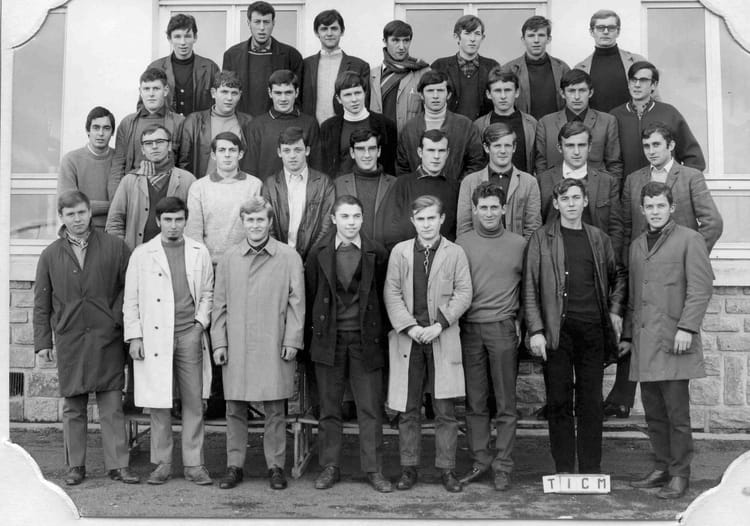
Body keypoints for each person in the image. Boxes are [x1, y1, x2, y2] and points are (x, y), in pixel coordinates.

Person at [607, 122, 722, 419]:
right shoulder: (634, 180)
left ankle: (675, 432)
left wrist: (689, 258)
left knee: (675, 355)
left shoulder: (690, 177)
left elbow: (712, 223)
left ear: (670, 146)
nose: (651, 151)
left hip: (676, 279)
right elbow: (627, 226)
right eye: (646, 146)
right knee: (638, 341)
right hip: (642, 271)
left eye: (656, 145)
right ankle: (624, 401)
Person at [33, 190, 138, 486]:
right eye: (70, 214)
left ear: (90, 212)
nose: (77, 219)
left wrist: (115, 320)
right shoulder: (50, 255)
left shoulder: (115, 247)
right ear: (61, 217)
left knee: (111, 404)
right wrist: (43, 342)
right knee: (73, 406)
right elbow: (42, 302)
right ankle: (75, 466)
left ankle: (118, 465)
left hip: (107, 337)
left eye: (81, 212)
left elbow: (130, 290)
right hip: (71, 338)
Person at [523, 178, 626, 475]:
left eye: (576, 198)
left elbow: (618, 275)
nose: (571, 203)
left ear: (585, 201)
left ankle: (591, 468)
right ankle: (564, 468)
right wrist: (536, 331)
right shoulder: (541, 239)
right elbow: (529, 287)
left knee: (591, 402)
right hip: (557, 332)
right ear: (556, 203)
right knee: (559, 401)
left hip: (592, 330)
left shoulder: (598, 238)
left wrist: (615, 311)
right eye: (565, 198)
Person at [621, 182, 713, 499]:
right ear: (642, 209)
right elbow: (634, 297)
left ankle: (680, 474)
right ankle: (661, 467)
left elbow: (700, 289)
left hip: (675, 340)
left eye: (661, 205)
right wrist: (628, 336)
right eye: (650, 206)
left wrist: (687, 328)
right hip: (645, 343)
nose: (655, 211)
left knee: (677, 415)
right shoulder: (636, 246)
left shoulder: (690, 239)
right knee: (654, 413)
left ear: (671, 208)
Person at [212, 196, 305, 491]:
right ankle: (234, 465)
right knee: (234, 407)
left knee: (275, 407)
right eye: (250, 220)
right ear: (243, 222)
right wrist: (219, 343)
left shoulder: (288, 257)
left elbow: (297, 303)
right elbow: (219, 305)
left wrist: (292, 339)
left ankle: (275, 466)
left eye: (260, 220)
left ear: (270, 222)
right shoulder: (229, 258)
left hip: (273, 341)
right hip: (237, 342)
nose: (255, 225)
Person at [384, 195, 472, 493]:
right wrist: (410, 327)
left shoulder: (455, 253)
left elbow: (464, 293)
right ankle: (409, 469)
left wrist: (439, 325)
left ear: (442, 219)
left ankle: (447, 470)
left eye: (431, 218)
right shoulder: (400, 252)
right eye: (420, 219)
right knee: (408, 409)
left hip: (441, 337)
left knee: (444, 410)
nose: (426, 225)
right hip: (409, 339)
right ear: (412, 221)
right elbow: (392, 293)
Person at [123, 196, 214, 486]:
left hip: (189, 333)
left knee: (193, 400)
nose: (173, 225)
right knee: (158, 400)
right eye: (168, 220)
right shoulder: (142, 254)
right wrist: (135, 336)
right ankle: (162, 464)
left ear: (186, 220)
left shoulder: (199, 251)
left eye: (178, 219)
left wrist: (200, 324)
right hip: (155, 336)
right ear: (158, 221)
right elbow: (131, 299)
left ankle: (194, 464)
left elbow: (208, 293)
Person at [304, 195, 392, 493]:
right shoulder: (318, 253)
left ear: (363, 218)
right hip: (329, 339)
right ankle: (330, 466)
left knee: (370, 407)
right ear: (333, 219)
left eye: (356, 216)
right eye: (345, 216)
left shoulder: (377, 253)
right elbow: (311, 297)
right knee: (330, 407)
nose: (351, 222)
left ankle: (374, 469)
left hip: (366, 339)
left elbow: (383, 298)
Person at [455, 182, 526, 491]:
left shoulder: (519, 244)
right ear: (474, 210)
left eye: (494, 207)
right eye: (482, 207)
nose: (488, 213)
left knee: (506, 402)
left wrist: (521, 322)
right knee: (475, 401)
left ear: (504, 209)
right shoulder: (461, 244)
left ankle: (503, 465)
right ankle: (480, 460)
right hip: (470, 328)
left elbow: (529, 288)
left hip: (502, 328)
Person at [610, 61, 705, 179]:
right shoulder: (614, 116)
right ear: (628, 83)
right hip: (628, 188)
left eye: (643, 80)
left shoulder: (669, 113)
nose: (637, 85)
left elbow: (694, 158)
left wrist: (681, 183)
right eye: (633, 80)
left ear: (654, 85)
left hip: (664, 188)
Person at [106, 125, 195, 249]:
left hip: (175, 253)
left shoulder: (187, 180)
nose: (154, 146)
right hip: (136, 254)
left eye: (160, 141)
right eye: (148, 143)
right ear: (143, 149)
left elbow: (194, 223)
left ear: (169, 146)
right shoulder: (129, 181)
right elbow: (115, 222)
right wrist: (122, 251)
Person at [537, 122, 621, 246]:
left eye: (581, 145)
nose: (576, 152)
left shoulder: (607, 181)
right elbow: (539, 224)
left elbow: (616, 228)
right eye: (570, 145)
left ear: (589, 147)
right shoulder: (543, 180)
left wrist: (611, 257)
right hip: (555, 252)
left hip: (596, 253)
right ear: (560, 148)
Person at [185, 131, 263, 265]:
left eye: (232, 150)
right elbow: (193, 232)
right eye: (222, 150)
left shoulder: (254, 185)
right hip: (210, 264)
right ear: (213, 155)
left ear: (240, 154)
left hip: (246, 263)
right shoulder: (198, 187)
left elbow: (259, 227)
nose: (227, 155)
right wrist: (204, 263)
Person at [535, 69, 623, 186]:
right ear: (562, 93)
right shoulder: (545, 123)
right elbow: (541, 165)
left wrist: (610, 191)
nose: (577, 97)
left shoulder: (607, 122)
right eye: (571, 91)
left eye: (582, 91)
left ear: (590, 92)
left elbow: (614, 164)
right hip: (557, 190)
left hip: (596, 190)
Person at [396, 70, 485, 182]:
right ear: (421, 95)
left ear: (449, 94)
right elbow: (402, 167)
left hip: (455, 191)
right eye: (430, 91)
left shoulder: (466, 126)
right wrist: (414, 187)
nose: (435, 96)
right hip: (417, 191)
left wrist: (457, 186)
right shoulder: (409, 129)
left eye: (440, 90)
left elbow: (476, 163)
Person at [261, 126, 335, 261]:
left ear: (307, 151)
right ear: (279, 152)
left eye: (298, 150)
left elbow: (327, 225)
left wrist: (310, 259)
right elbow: (267, 225)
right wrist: (281, 257)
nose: (292, 156)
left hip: (314, 260)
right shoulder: (269, 185)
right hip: (279, 259)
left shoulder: (324, 183)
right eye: (287, 150)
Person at [457, 123, 541, 239]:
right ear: (486, 148)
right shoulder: (469, 182)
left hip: (518, 248)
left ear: (514, 147)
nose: (503, 151)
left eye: (507, 145)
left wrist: (522, 249)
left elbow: (533, 228)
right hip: (478, 248)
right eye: (497, 146)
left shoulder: (529, 182)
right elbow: (464, 228)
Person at [222, 1, 303, 116]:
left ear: (273, 23)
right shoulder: (232, 55)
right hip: (242, 121)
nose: (262, 28)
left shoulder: (291, 56)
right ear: (249, 23)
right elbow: (227, 94)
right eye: (257, 22)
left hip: (278, 121)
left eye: (266, 22)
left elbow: (298, 98)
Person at [383, 129, 459, 248]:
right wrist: (403, 254)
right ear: (420, 152)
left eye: (441, 151)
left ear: (447, 153)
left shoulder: (455, 187)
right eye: (431, 150)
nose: (436, 156)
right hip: (408, 255)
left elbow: (458, 229)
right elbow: (391, 228)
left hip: (445, 255)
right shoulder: (402, 183)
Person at [110, 68, 185, 185]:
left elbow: (185, 165)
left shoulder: (180, 123)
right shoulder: (127, 123)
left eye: (156, 88)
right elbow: (118, 166)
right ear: (140, 91)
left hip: (169, 190)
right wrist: (117, 195)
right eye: (146, 89)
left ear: (165, 91)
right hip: (134, 189)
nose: (151, 94)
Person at [245, 69, 321, 181]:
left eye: (288, 92)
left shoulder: (310, 123)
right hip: (267, 189)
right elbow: (250, 170)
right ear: (270, 93)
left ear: (296, 92)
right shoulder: (256, 125)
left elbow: (317, 166)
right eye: (278, 93)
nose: (283, 98)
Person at [178, 70, 254, 179]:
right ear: (213, 93)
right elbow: (183, 161)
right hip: (203, 185)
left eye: (234, 93)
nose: (229, 98)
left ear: (240, 95)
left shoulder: (248, 122)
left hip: (237, 185)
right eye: (224, 92)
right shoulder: (194, 121)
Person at [320, 70, 397, 177]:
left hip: (376, 183)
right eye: (347, 95)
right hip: (341, 185)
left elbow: (390, 166)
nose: (354, 99)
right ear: (338, 99)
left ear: (365, 93)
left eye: (358, 93)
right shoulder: (328, 128)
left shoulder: (385, 125)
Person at [301, 9, 370, 124]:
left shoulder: (359, 66)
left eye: (334, 28)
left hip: (345, 128)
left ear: (342, 31)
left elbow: (365, 103)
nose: (329, 33)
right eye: (324, 29)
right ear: (316, 33)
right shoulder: (305, 65)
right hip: (311, 129)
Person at [575, 9, 648, 112]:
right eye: (600, 28)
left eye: (611, 28)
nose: (606, 32)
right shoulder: (580, 69)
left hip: (631, 120)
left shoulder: (637, 61)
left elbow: (653, 97)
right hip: (596, 122)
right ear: (591, 32)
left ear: (618, 32)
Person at [146, 13, 220, 116]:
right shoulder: (155, 67)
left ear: (195, 37)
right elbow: (144, 106)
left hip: (200, 125)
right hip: (165, 125)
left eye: (187, 36)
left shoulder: (210, 68)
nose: (183, 42)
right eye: (177, 37)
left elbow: (219, 104)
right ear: (169, 39)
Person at [430, 15, 499, 121]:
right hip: (448, 128)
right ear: (456, 37)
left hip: (483, 128)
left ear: (482, 38)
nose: (472, 39)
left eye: (477, 34)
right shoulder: (440, 66)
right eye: (467, 33)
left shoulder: (492, 67)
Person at [333, 129, 396, 246]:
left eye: (371, 149)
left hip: (386, 252)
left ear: (379, 151)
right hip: (350, 252)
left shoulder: (395, 184)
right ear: (352, 152)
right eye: (360, 149)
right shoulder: (338, 184)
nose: (367, 155)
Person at [57, 107, 118, 229]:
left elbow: (130, 202)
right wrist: (114, 206)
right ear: (87, 130)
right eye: (96, 128)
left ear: (112, 132)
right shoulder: (71, 160)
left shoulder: (120, 159)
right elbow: (70, 204)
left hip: (114, 230)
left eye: (106, 128)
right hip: (82, 231)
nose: (101, 133)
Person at [501, 15, 570, 120]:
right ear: (523, 39)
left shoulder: (562, 68)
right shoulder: (509, 70)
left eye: (541, 35)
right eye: (531, 35)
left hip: (555, 127)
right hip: (523, 127)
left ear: (549, 39)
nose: (536, 40)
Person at [369, 20, 430, 133]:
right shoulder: (371, 76)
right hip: (379, 139)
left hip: (410, 139)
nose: (401, 47)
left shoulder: (423, 73)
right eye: (395, 40)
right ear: (385, 41)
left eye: (406, 40)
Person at [473, 68, 537, 173]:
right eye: (497, 91)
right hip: (490, 182)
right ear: (488, 94)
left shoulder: (531, 123)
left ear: (517, 92)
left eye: (508, 90)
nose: (503, 96)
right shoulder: (479, 125)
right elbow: (477, 161)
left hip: (524, 181)